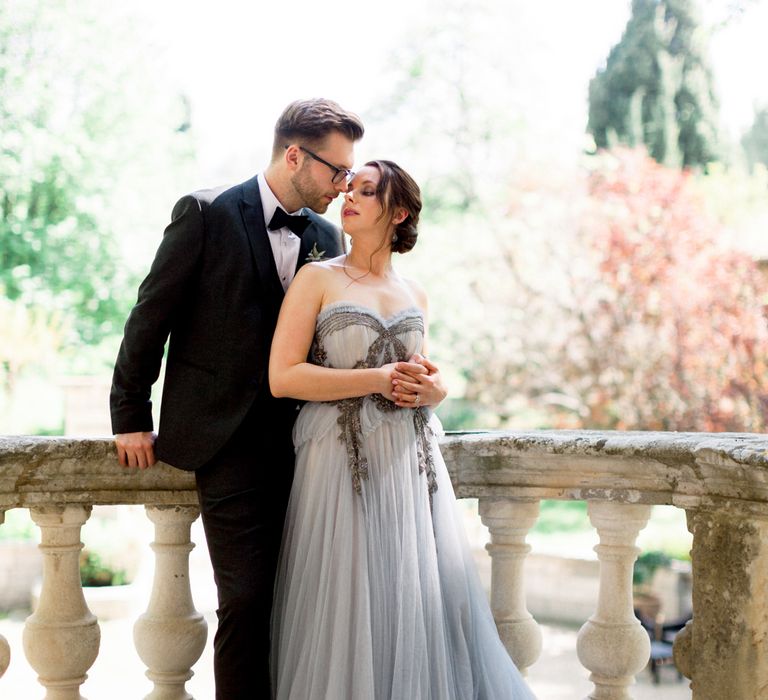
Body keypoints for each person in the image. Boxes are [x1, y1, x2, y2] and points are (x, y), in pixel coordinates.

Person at [110, 99, 373, 699]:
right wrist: (130, 415)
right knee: (247, 600)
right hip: (225, 439)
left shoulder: (327, 236)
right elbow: (149, 318)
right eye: (337, 172)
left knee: (303, 601)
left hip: (310, 442)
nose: (344, 186)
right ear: (293, 155)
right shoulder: (204, 213)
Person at [268, 160, 537, 699]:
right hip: (339, 464)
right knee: (347, 604)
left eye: (368, 191)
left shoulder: (417, 291)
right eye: (350, 189)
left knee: (410, 604)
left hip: (411, 468)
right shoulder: (316, 278)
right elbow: (283, 377)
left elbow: (426, 375)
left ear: (400, 212)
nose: (350, 197)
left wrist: (437, 391)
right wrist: (378, 378)